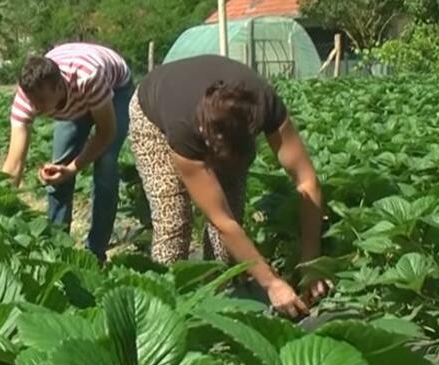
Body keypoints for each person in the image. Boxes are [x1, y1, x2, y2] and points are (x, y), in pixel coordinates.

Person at [129, 54, 329, 317]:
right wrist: (271, 282)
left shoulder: (264, 105)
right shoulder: (185, 130)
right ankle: (163, 310)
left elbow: (307, 182)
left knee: (231, 223)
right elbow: (219, 220)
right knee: (173, 219)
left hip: (219, 120)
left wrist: (311, 262)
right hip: (152, 113)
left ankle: (219, 303)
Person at [1, 42, 134, 261]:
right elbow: (14, 164)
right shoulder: (28, 98)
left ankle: (95, 253)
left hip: (116, 87)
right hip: (74, 101)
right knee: (57, 171)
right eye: (33, 101)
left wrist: (73, 168)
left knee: (106, 163)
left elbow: (106, 132)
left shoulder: (88, 78)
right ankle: (56, 250)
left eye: (42, 101)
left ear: (59, 86)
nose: (37, 107)